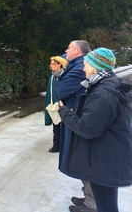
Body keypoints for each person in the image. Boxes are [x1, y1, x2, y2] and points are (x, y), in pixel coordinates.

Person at [58, 47, 132, 212]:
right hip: (107, 157)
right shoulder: (106, 85)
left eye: (85, 64)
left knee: (106, 206)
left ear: (95, 66)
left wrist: (63, 112)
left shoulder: (103, 92)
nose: (83, 68)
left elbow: (87, 129)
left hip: (105, 161)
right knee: (106, 204)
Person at [55, 40, 97, 212]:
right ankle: (89, 198)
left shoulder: (80, 65)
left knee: (85, 159)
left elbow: (60, 89)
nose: (66, 50)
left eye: (69, 48)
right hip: (76, 117)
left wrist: (60, 80)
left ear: (78, 51)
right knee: (81, 159)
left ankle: (92, 203)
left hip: (79, 119)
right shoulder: (77, 64)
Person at [44, 56, 67, 153]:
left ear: (59, 65)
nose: (51, 65)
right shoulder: (52, 76)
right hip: (54, 104)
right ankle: (56, 145)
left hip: (62, 104)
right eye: (51, 63)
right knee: (56, 124)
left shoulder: (63, 76)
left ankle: (63, 145)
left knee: (63, 125)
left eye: (53, 63)